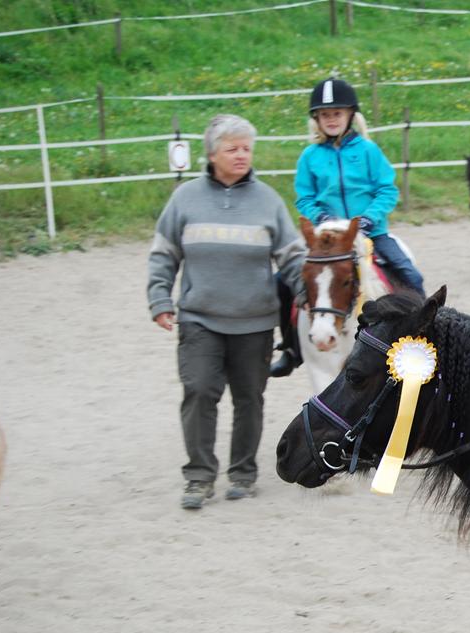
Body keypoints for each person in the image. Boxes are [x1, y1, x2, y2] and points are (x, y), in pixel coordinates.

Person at [147, 114, 307, 510]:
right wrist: (160, 299)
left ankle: (243, 473)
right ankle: (199, 477)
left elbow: (292, 256)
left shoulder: (268, 200)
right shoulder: (184, 198)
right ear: (212, 154)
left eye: (247, 148)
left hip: (254, 322)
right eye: (232, 149)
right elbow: (164, 253)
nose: (242, 155)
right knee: (199, 391)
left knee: (249, 398)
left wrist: (306, 293)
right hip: (199, 317)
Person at [273, 78, 426, 377]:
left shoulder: (368, 151)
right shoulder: (310, 156)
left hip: (370, 232)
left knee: (410, 275)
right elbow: (304, 197)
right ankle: (291, 349)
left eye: (337, 113)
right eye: (325, 115)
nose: (331, 119)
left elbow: (387, 190)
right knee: (283, 282)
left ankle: (422, 335)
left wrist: (369, 217)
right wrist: (320, 216)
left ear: (350, 115)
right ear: (316, 119)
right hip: (327, 235)